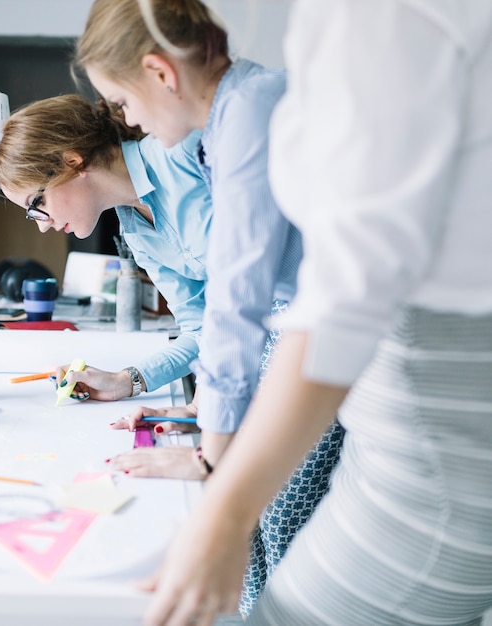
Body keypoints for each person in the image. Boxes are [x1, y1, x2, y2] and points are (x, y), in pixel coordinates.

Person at [133, 1, 492, 625]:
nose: (129, 122)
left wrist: (224, 507)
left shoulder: (375, 20)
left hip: (434, 450)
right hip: (398, 424)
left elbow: (335, 298)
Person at [77, 0, 344, 615]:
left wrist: (211, 462)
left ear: (159, 73)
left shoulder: (247, 110)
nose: (127, 120)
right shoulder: (225, 124)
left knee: (271, 525)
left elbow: (237, 295)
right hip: (311, 331)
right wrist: (210, 442)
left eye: (122, 103)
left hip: (338, 337)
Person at [0, 94, 211, 401]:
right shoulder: (136, 234)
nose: (42, 224)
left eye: (36, 203)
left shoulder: (182, 150)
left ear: (72, 161)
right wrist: (127, 380)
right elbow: (201, 331)